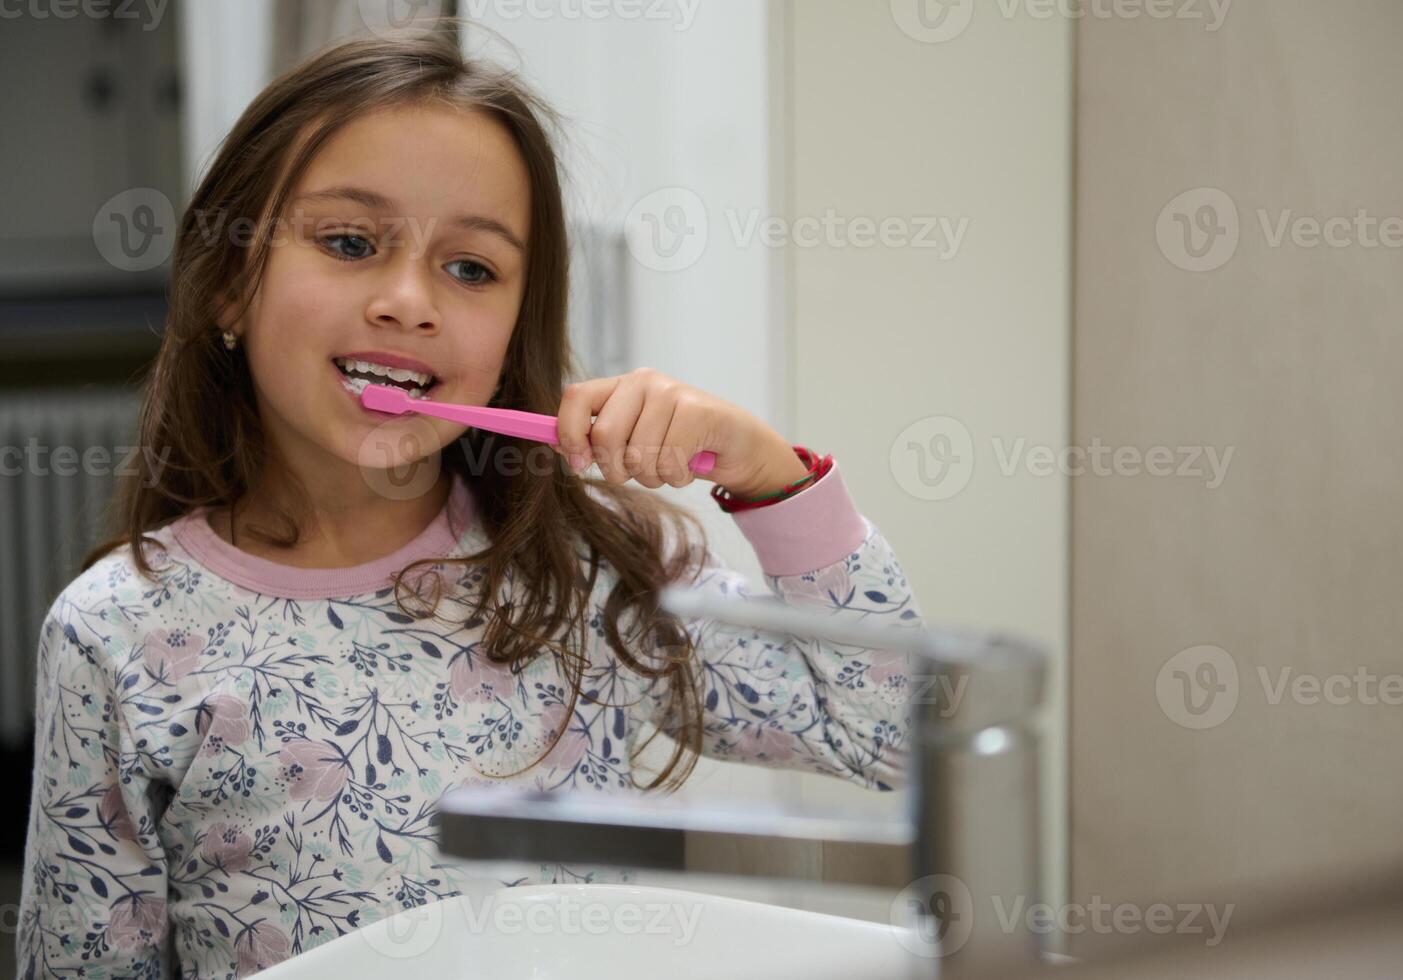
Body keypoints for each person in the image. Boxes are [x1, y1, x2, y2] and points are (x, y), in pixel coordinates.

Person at [17, 24, 925, 979]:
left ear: (509, 337)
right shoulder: (117, 631)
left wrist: (772, 475)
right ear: (227, 289)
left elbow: (895, 733)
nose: (410, 300)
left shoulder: (583, 580)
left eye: (471, 268)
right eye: (350, 241)